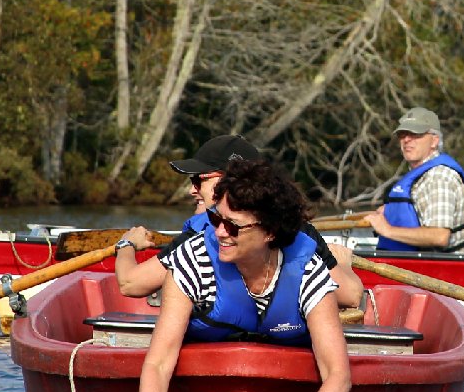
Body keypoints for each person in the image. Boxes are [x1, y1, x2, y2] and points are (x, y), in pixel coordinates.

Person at [137, 158, 352, 392]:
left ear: (270, 232)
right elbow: (159, 363)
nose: (219, 232)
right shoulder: (191, 260)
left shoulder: (307, 271)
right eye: (215, 218)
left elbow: (338, 373)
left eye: (233, 226)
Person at [115, 132, 365, 311]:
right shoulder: (300, 230)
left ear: (231, 180)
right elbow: (351, 294)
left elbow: (130, 283)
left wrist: (126, 245)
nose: (192, 190)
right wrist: (344, 265)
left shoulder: (205, 231)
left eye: (199, 180)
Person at [363, 106, 464, 252]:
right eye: (402, 134)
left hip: (438, 265)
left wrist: (387, 229)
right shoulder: (421, 175)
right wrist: (391, 211)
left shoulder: (439, 177)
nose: (406, 140)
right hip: (408, 262)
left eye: (415, 134)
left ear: (434, 141)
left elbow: (439, 236)